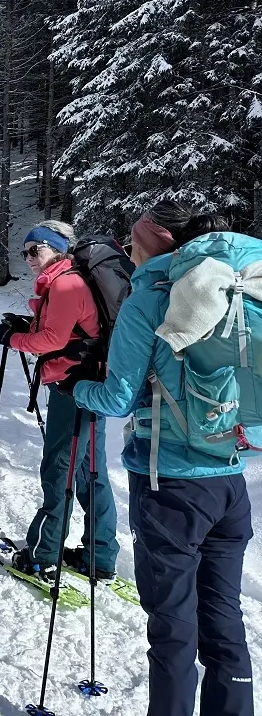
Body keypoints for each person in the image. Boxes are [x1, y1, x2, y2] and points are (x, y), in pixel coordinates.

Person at [64, 202, 251, 716]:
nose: (127, 249)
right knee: (224, 623)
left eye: (132, 239)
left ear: (154, 241)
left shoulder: (151, 295)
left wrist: (78, 387)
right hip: (230, 481)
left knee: (172, 632)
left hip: (169, 484)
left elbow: (119, 397)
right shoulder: (233, 285)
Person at [0, 220, 119, 580]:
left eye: (37, 249)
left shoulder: (66, 283)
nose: (30, 258)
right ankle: (100, 556)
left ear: (56, 249)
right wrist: (26, 327)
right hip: (93, 387)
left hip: (72, 390)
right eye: (25, 252)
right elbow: (70, 331)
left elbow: (51, 341)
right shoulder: (75, 280)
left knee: (60, 471)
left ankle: (42, 555)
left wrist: (13, 339)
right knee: (90, 472)